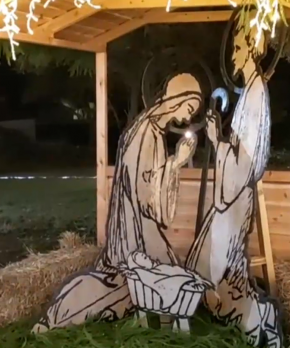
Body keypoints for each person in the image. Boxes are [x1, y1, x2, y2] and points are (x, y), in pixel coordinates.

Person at [34, 73, 201, 333]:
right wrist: (177, 162)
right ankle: (61, 316)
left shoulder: (152, 130)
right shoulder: (145, 133)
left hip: (142, 225)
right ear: (177, 100)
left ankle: (160, 319)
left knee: (169, 273)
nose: (189, 118)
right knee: (125, 285)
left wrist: (172, 164)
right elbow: (145, 195)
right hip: (135, 231)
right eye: (189, 108)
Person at [185, 24, 283, 348]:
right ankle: (240, 315)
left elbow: (246, 161)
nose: (235, 56)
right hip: (232, 194)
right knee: (206, 262)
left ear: (252, 52)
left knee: (218, 268)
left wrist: (216, 141)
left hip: (236, 195)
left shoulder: (256, 94)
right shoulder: (251, 92)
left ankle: (256, 318)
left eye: (239, 49)